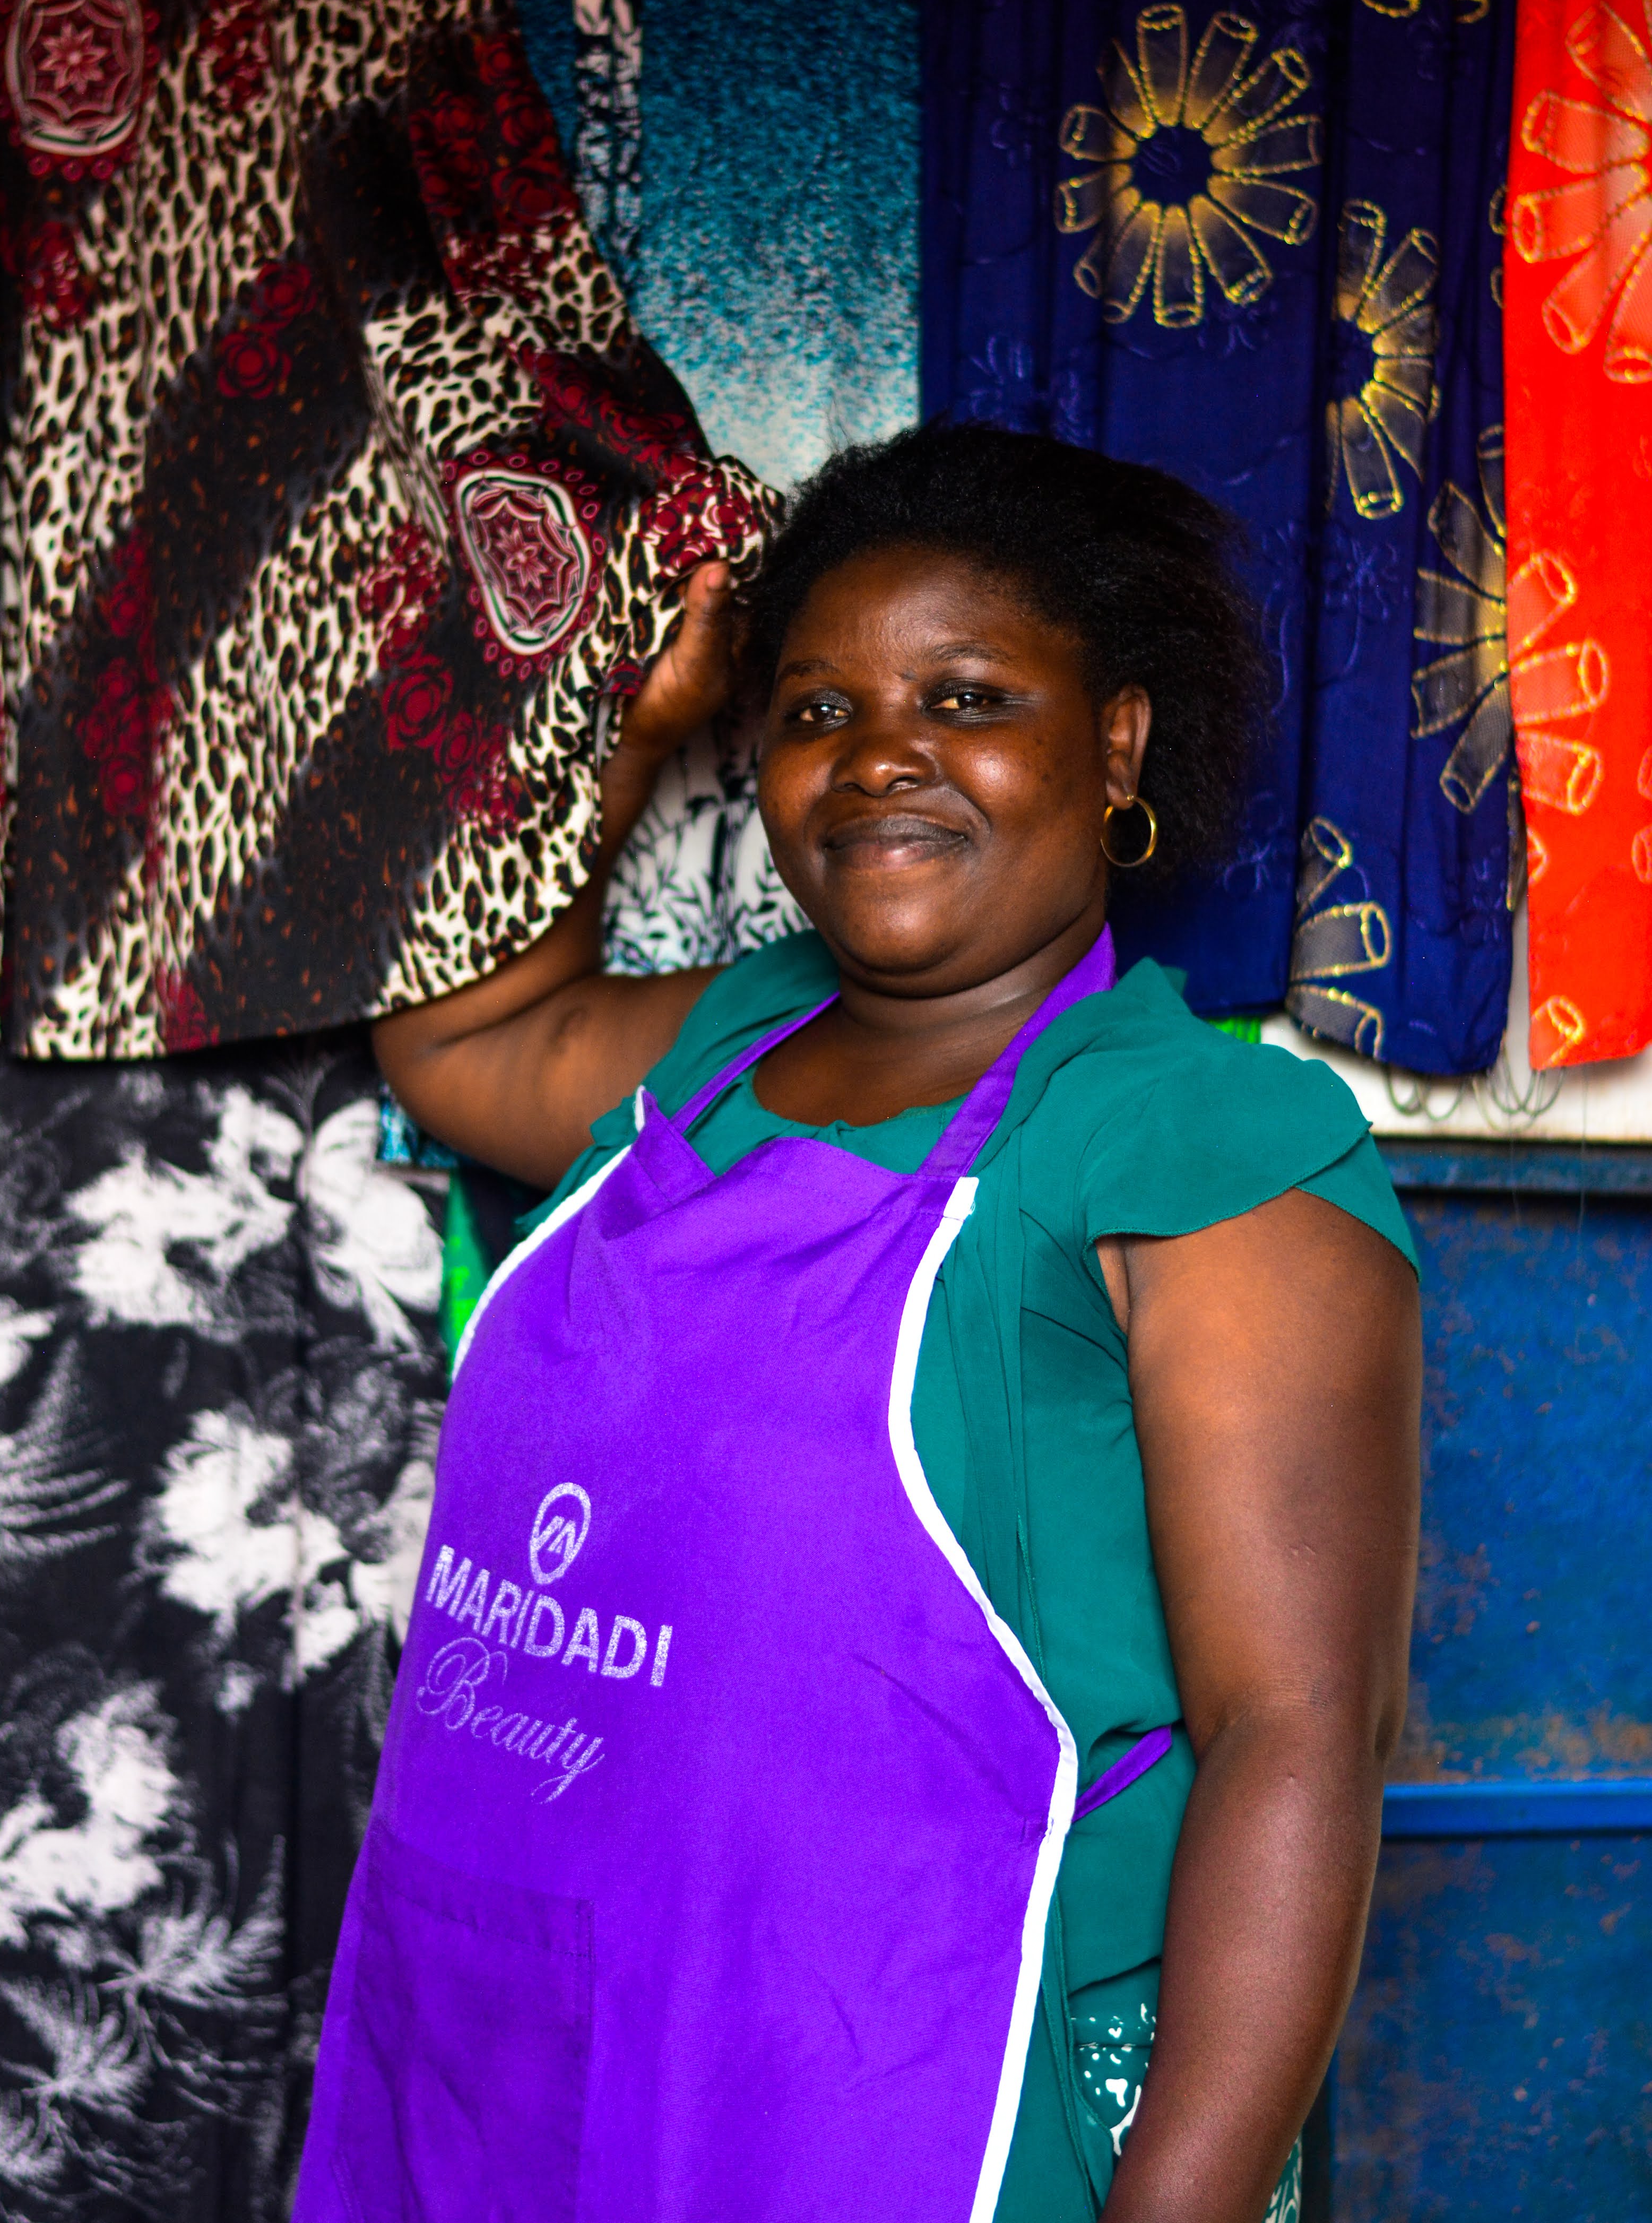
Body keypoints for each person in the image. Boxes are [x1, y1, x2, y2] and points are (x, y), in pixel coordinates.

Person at [294, 425, 1421, 2223]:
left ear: (1112, 740)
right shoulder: (727, 1040)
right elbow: (453, 1045)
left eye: (964, 695)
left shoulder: (1191, 1144)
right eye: (816, 712)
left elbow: (1298, 1732)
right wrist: (641, 722)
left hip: (907, 2087)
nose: (881, 755)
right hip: (523, 2047)